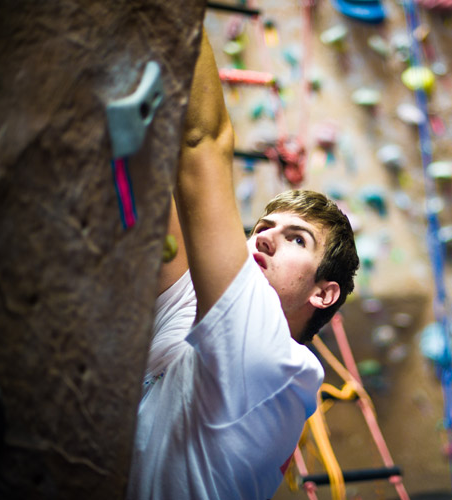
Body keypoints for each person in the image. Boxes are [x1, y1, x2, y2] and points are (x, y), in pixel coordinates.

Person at [127, 27, 359, 500]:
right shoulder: (216, 324)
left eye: (296, 238)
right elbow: (153, 190)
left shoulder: (273, 359)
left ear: (323, 292)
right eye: (265, 225)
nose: (266, 236)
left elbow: (202, 142)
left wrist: (174, 18)